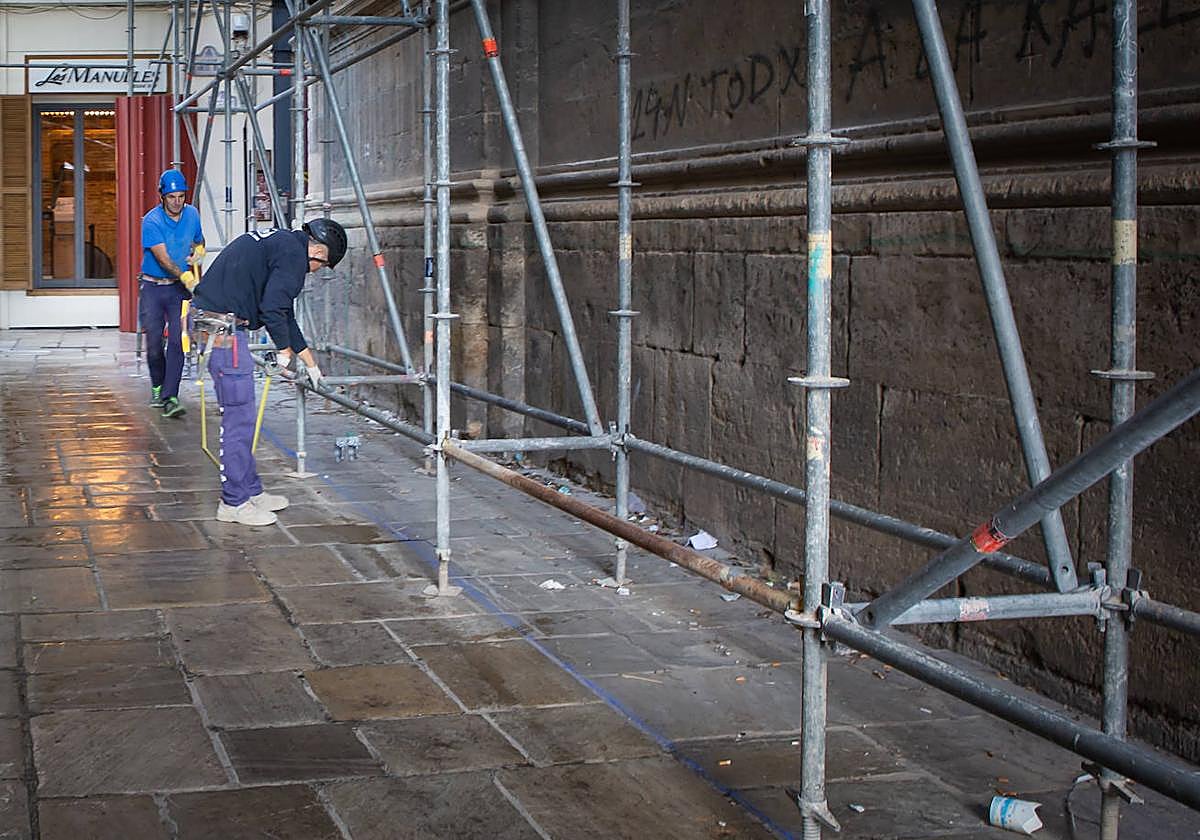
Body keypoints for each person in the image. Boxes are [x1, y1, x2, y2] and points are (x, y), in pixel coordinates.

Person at [190, 220, 347, 527]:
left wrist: (310, 362)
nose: (314, 271)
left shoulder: (285, 243)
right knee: (239, 419)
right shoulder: (294, 256)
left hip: (220, 327)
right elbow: (273, 308)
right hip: (223, 333)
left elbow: (283, 311)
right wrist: (284, 355)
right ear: (317, 249)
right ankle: (233, 502)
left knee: (245, 418)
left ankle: (251, 490)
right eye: (320, 265)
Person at [140, 169, 205, 418]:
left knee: (179, 341)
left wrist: (199, 252)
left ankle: (171, 396)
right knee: (155, 344)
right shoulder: (152, 221)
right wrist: (185, 275)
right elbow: (164, 259)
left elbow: (199, 240)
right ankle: (157, 386)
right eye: (171, 197)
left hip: (178, 291)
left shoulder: (192, 214)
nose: (177, 201)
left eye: (180, 196)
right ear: (162, 196)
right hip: (154, 287)